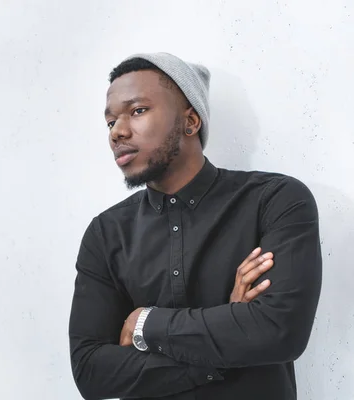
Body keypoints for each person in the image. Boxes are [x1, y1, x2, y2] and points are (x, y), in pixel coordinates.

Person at [68, 52, 322, 400]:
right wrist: (227, 332)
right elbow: (91, 372)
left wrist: (143, 324)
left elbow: (279, 331)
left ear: (190, 121)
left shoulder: (274, 200)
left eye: (137, 110)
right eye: (110, 122)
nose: (118, 132)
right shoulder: (106, 233)